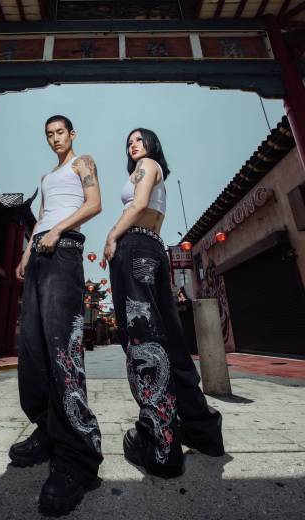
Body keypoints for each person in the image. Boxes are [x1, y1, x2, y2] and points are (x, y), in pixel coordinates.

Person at [103, 128, 224, 479]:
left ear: (152, 144)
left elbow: (138, 204)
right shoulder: (155, 171)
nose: (133, 145)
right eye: (129, 142)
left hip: (134, 247)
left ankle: (161, 443)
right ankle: (202, 430)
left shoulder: (146, 165)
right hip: (156, 249)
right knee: (169, 342)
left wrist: (112, 235)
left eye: (138, 139)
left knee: (142, 339)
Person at [10, 115, 103, 513]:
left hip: (64, 251)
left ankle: (77, 455)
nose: (54, 138)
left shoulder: (83, 162)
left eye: (59, 132)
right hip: (39, 255)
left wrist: (57, 231)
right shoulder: (47, 176)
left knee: (63, 349)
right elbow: (41, 217)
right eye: (48, 134)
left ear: (72, 134)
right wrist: (27, 252)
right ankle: (47, 430)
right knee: (32, 350)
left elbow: (94, 204)